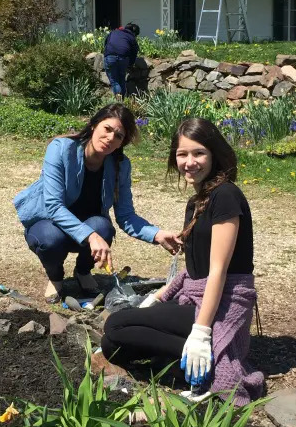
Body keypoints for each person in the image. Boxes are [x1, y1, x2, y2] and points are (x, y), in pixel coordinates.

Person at [100, 118, 264, 406]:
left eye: (198, 153)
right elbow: (195, 268)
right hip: (199, 296)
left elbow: (217, 272)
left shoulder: (225, 196)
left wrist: (201, 333)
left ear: (214, 153)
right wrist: (160, 295)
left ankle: (210, 354)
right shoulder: (199, 200)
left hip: (224, 301)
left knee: (116, 327)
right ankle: (186, 360)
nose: (190, 162)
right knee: (112, 345)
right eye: (182, 154)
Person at [13, 103, 181, 303]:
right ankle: (55, 277)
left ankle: (83, 272)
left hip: (88, 227)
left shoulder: (120, 166)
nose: (110, 138)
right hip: (50, 223)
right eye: (107, 129)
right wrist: (90, 236)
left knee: (103, 227)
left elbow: (126, 216)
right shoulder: (61, 149)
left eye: (118, 136)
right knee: (50, 239)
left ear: (121, 143)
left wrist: (158, 235)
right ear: (94, 125)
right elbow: (54, 206)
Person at [103, 23, 140, 99]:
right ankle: (122, 100)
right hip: (123, 58)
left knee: (114, 81)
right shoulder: (131, 37)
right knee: (121, 79)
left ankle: (119, 100)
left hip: (110, 57)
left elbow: (106, 43)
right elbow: (134, 52)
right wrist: (130, 64)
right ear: (135, 33)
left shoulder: (113, 32)